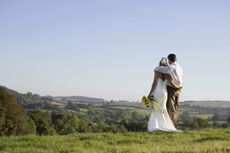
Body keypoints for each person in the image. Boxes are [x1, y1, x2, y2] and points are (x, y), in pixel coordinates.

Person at [147, 57, 180, 132]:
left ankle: (156, 125)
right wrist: (178, 87)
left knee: (155, 109)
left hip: (157, 91)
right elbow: (172, 83)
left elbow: (154, 83)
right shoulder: (168, 72)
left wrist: (150, 93)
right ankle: (164, 125)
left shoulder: (157, 70)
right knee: (163, 108)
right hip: (164, 93)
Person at [153, 54, 183, 127]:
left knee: (171, 107)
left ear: (169, 60)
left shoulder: (170, 68)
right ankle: (175, 123)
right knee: (175, 107)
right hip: (179, 89)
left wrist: (165, 64)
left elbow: (156, 69)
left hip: (172, 88)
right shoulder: (179, 68)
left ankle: (172, 125)